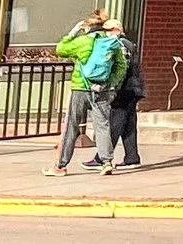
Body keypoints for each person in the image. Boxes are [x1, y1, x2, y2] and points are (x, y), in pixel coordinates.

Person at [44, 11, 124, 175]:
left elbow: (60, 49)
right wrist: (112, 84)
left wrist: (72, 33)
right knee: (102, 126)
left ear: (87, 28)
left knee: (71, 126)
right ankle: (106, 161)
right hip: (102, 88)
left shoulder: (82, 41)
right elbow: (121, 67)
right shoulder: (111, 43)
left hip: (80, 87)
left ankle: (60, 166)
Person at [104, 31, 144, 172]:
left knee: (116, 123)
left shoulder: (120, 45)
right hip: (133, 88)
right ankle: (131, 157)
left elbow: (122, 69)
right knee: (128, 125)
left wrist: (113, 87)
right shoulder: (127, 43)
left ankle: (103, 157)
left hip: (125, 89)